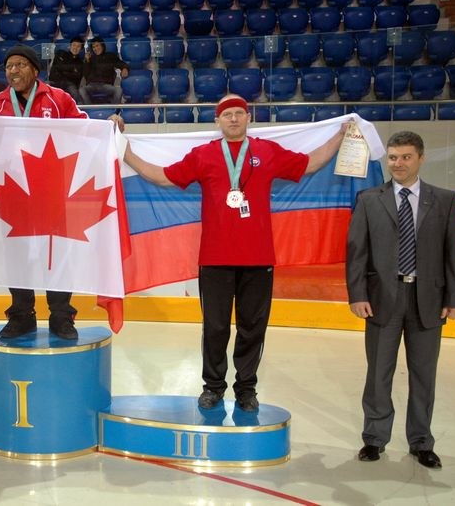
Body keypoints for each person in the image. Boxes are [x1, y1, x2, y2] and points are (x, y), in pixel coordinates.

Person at [123, 94, 346, 411]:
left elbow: (309, 163)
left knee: (252, 328)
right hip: (215, 259)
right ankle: (213, 387)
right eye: (227, 114)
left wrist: (339, 137)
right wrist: (126, 152)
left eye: (239, 113)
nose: (233, 118)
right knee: (215, 327)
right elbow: (161, 176)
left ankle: (246, 389)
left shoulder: (266, 151)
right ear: (217, 120)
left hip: (258, 258)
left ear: (248, 117)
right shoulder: (204, 155)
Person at [0, 44, 124, 340]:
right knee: (16, 255)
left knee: (57, 253)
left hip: (53, 191)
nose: (13, 71)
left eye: (20, 65)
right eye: (9, 66)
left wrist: (108, 125)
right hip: (14, 193)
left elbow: (83, 129)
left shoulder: (58, 99)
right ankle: (22, 315)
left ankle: (61, 316)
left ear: (35, 70)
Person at [347, 131, 455, 469]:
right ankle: (374, 439)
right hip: (382, 299)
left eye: (406, 157)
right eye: (393, 157)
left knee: (424, 375)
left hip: (429, 299)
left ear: (421, 158)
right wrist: (357, 294)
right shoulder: (369, 199)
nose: (398, 163)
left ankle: (421, 441)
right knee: (378, 373)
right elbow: (356, 252)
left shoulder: (443, 200)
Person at [80, 36, 129, 105]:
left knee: (118, 90)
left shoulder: (110, 56)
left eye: (97, 46)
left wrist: (125, 68)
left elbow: (121, 64)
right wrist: (87, 61)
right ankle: (90, 109)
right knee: (81, 90)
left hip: (106, 85)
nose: (95, 48)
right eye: (93, 47)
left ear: (102, 46)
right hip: (92, 85)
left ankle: (114, 110)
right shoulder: (90, 58)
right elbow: (85, 74)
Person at [49, 37, 84, 104]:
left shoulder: (80, 62)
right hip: (55, 81)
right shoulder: (60, 53)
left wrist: (62, 70)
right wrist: (72, 69)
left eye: (78, 46)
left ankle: (81, 110)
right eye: (74, 45)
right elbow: (56, 67)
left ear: (81, 49)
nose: (75, 48)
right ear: (70, 46)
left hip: (70, 84)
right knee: (44, 87)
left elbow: (77, 77)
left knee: (76, 95)